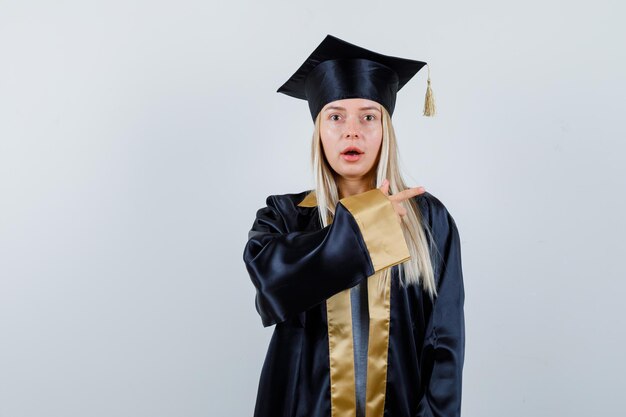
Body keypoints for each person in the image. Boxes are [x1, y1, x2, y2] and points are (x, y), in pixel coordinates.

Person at [243, 34, 465, 417]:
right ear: (319, 131)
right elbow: (272, 288)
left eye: (368, 116)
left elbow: (443, 345)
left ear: (386, 130)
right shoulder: (284, 215)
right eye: (335, 116)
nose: (352, 131)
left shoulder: (427, 218)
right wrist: (369, 223)